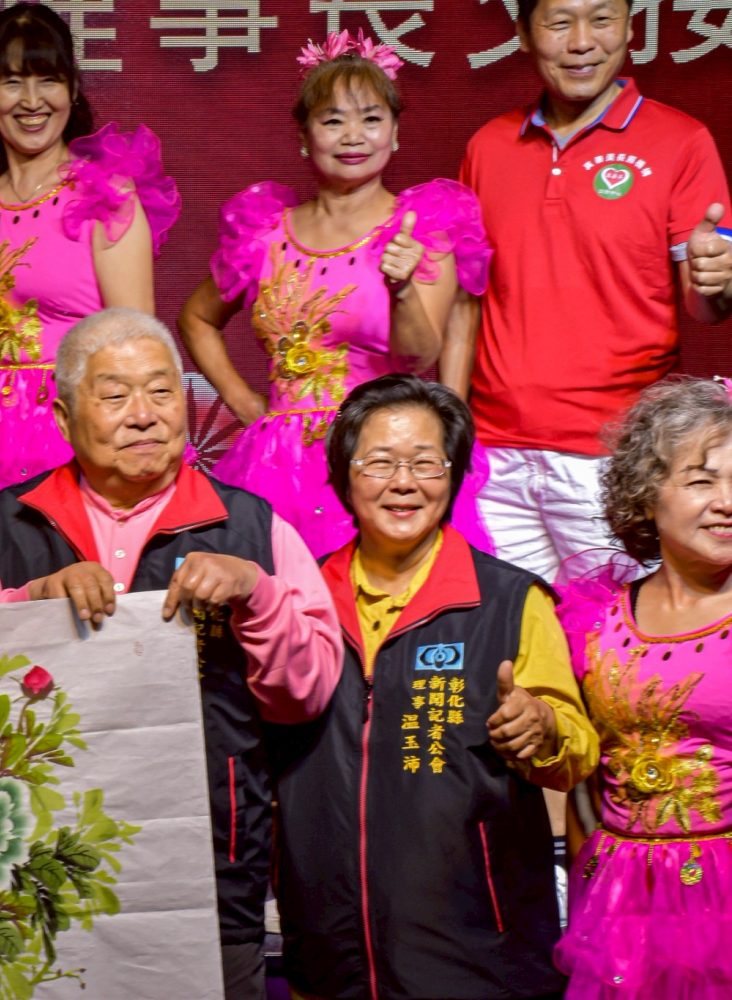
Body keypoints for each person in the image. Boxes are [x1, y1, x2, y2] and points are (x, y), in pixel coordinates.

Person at [0, 308, 342, 999]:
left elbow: (305, 695)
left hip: (209, 859)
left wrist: (256, 591)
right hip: (36, 857)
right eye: (115, 394)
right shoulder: (5, 522)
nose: (144, 415)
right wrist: (33, 599)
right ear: (65, 419)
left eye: (161, 392)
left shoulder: (251, 526)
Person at [267, 374, 595, 999]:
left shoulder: (510, 601)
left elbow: (574, 755)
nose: (404, 483)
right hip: (328, 952)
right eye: (380, 462)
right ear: (343, 475)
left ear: (454, 474)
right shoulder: (302, 601)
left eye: (425, 463)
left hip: (476, 957)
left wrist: (543, 726)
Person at [0, 2, 179, 610]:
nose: (31, 100)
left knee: (79, 607)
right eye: (12, 80)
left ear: (72, 89)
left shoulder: (106, 195)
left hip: (72, 430)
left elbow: (138, 340)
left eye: (47, 79)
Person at [178, 29, 492, 561]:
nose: (353, 136)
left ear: (395, 133)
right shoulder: (265, 234)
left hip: (378, 463)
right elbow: (196, 318)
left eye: (371, 119)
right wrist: (249, 406)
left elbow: (420, 357)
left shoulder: (423, 229)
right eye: (333, 121)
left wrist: (402, 288)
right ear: (305, 136)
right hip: (275, 468)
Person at [457, 0, 732, 582]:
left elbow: (705, 306)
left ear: (630, 27)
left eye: (602, 20)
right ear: (523, 33)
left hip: (614, 457)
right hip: (495, 459)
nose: (582, 41)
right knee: (511, 633)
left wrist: (718, 280)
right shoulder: (487, 146)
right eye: (560, 23)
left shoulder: (682, 141)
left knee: (621, 631)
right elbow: (466, 301)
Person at [554, 378, 732, 997]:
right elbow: (584, 778)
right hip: (620, 905)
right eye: (702, 480)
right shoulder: (594, 616)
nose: (727, 502)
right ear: (648, 492)